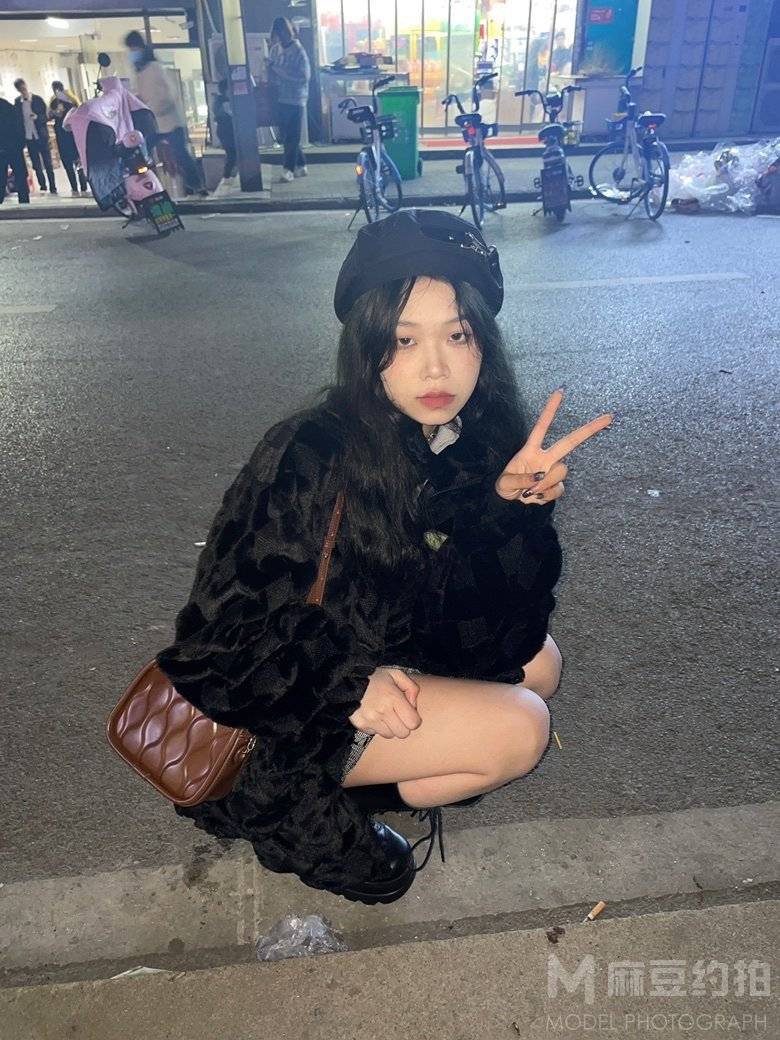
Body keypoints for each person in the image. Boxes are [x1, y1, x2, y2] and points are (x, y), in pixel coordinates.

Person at [154, 209, 614, 905]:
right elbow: (216, 645)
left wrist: (508, 514)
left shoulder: (467, 437)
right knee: (522, 727)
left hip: (381, 647)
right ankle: (295, 804)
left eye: (457, 334)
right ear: (367, 346)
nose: (436, 367)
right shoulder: (310, 454)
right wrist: (348, 684)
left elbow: (491, 630)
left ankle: (372, 783)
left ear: (482, 341)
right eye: (403, 339)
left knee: (539, 663)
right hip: (284, 702)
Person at [123, 30, 207, 197]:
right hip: (155, 123)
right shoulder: (140, 71)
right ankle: (148, 188)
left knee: (180, 154)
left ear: (140, 48)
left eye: (133, 49)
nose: (132, 53)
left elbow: (167, 95)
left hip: (169, 121)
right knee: (143, 151)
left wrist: (150, 108)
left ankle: (197, 186)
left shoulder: (155, 68)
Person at [267, 16, 310, 182]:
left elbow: (304, 76)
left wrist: (279, 71)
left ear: (289, 31)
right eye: (278, 33)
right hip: (279, 97)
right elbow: (270, 70)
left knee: (292, 135)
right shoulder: (274, 50)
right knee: (286, 136)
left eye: (284, 32)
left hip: (296, 98)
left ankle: (288, 169)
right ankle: (301, 165)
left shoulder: (298, 51)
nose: (281, 36)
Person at [13, 78, 56, 194]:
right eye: (20, 90)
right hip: (29, 137)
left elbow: (47, 116)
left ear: (26, 86)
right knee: (36, 164)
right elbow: (17, 120)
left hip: (41, 135)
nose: (23, 91)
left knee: (47, 162)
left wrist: (37, 117)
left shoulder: (37, 99)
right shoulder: (17, 102)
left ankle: (53, 186)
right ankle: (43, 186)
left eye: (23, 88)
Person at [48, 81, 87, 195]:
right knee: (71, 161)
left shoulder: (70, 100)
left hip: (69, 134)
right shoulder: (55, 101)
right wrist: (54, 113)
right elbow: (49, 115)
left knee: (74, 160)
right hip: (65, 134)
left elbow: (78, 111)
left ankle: (80, 186)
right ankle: (77, 186)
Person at [0, 96, 30, 204]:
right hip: (14, 147)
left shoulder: (7, 106)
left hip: (3, 148)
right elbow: (19, 125)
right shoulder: (9, 106)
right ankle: (24, 200)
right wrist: (21, 143)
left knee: (1, 176)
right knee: (20, 175)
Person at [212, 78, 237, 195]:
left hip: (224, 131)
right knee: (232, 154)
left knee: (232, 154)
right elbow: (232, 114)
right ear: (226, 90)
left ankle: (228, 177)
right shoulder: (224, 102)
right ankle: (227, 177)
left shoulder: (219, 100)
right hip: (226, 132)